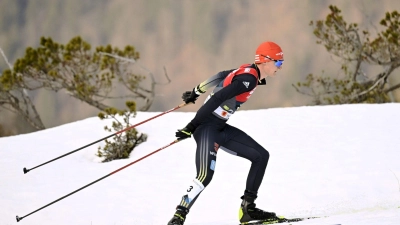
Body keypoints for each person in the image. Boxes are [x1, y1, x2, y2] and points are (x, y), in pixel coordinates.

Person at [167, 41, 284, 225]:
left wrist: (197, 91)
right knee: (205, 176)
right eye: (278, 62)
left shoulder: (249, 71)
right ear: (265, 60)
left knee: (261, 156)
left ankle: (248, 209)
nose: (280, 66)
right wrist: (191, 127)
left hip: (219, 127)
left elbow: (221, 76)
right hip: (206, 128)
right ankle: (179, 216)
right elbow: (219, 97)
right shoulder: (249, 79)